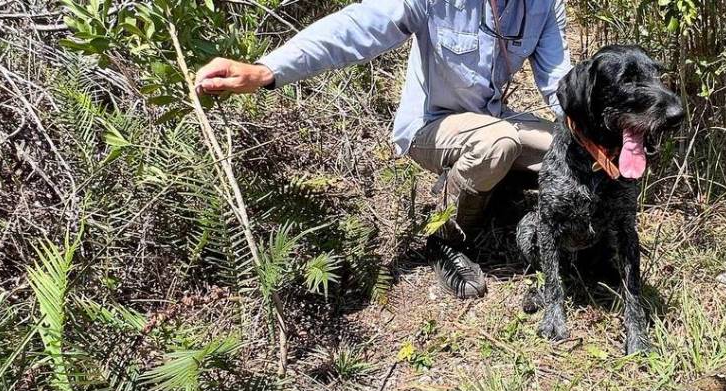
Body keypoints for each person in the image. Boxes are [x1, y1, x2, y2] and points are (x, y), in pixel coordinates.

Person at [194, 0, 571, 299]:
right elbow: (357, 27)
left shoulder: (542, 4)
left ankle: (490, 187)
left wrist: (597, 137)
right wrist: (266, 70)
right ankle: (447, 239)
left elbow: (559, 83)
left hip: (492, 118)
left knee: (569, 151)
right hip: (432, 126)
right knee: (496, 143)